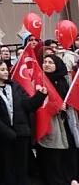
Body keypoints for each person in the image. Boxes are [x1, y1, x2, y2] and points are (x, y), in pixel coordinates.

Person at [0, 59, 46, 185]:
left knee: (22, 166)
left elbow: (29, 105)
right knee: (6, 166)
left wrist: (40, 95)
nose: (6, 72)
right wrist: (5, 131)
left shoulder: (15, 86)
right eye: (2, 70)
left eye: (6, 69)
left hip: (21, 133)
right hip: (3, 134)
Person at [36, 54, 78, 185]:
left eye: (50, 62)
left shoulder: (62, 82)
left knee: (68, 154)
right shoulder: (39, 80)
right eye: (45, 61)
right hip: (49, 124)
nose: (47, 64)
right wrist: (55, 106)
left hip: (65, 123)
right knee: (52, 156)